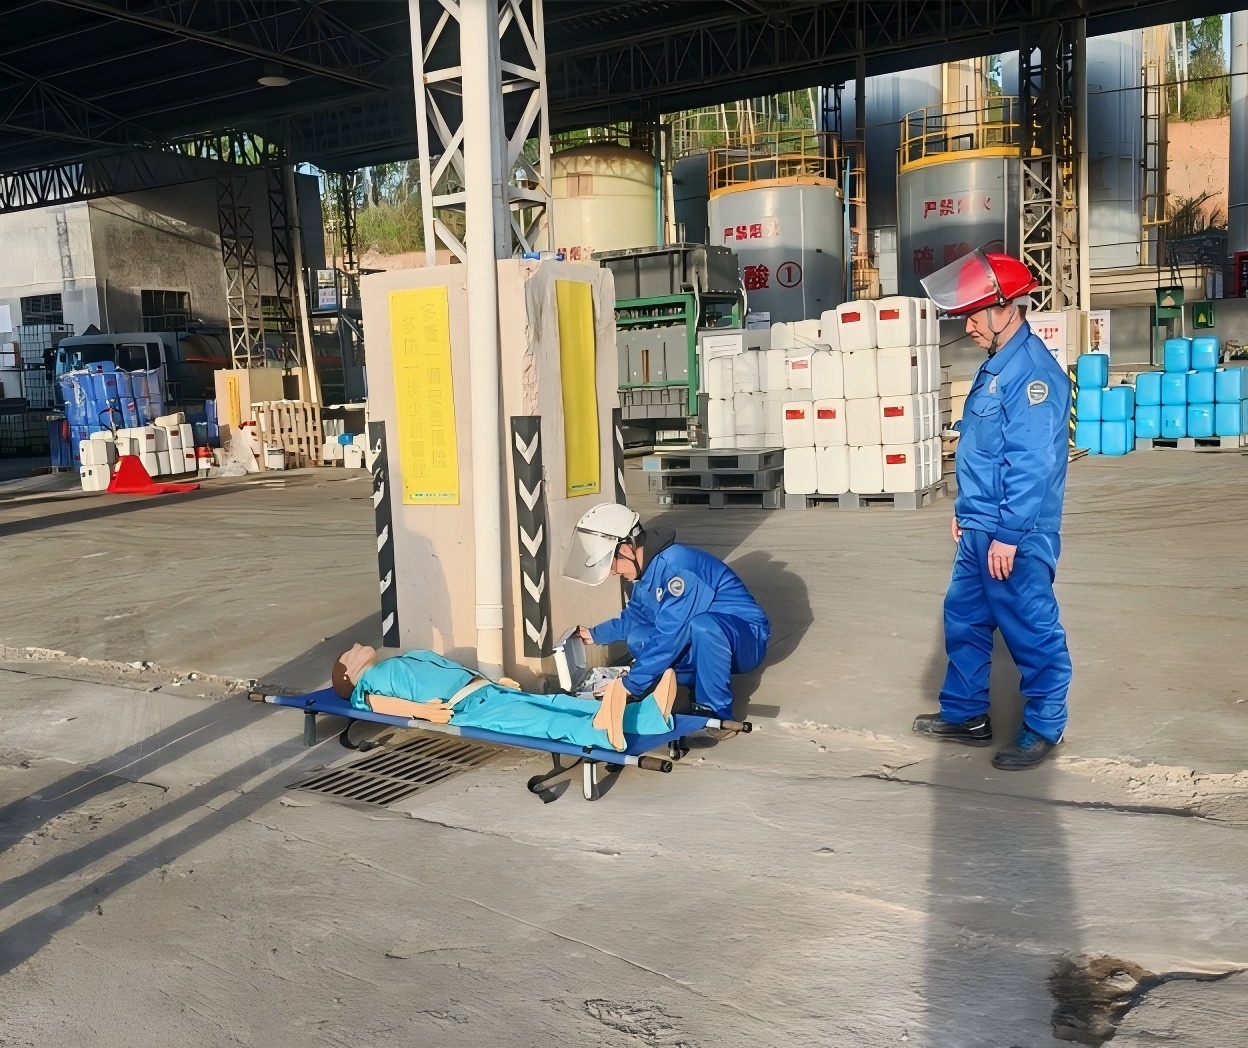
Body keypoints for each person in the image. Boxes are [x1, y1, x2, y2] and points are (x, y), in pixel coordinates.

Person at [913, 249, 1073, 770]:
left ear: (1007, 307)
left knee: (1030, 627)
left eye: (975, 314)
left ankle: (1045, 725)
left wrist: (1008, 533)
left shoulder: (1033, 375)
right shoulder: (996, 367)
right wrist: (967, 509)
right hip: (980, 524)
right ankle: (966, 715)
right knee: (963, 619)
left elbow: (1033, 462)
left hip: (1015, 532)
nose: (968, 326)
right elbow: (984, 448)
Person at [563, 502, 770, 720]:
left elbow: (671, 636)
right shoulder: (646, 574)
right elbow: (637, 618)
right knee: (638, 638)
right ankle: (689, 684)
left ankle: (714, 711)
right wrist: (594, 634)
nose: (612, 572)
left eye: (610, 564)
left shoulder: (678, 567)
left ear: (625, 549)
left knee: (703, 626)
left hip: (745, 640)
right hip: (703, 641)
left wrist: (629, 685)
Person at [331, 643, 677, 753]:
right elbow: (380, 706)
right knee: (539, 720)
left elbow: (451, 670)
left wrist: (493, 680)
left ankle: (645, 717)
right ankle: (598, 733)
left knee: (555, 702)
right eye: (349, 654)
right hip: (463, 709)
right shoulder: (367, 686)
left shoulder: (398, 659)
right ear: (350, 675)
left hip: (485, 690)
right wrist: (422, 712)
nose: (356, 646)